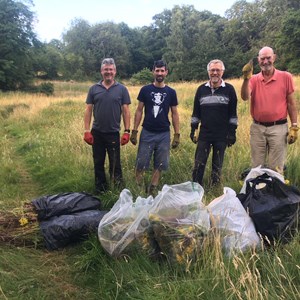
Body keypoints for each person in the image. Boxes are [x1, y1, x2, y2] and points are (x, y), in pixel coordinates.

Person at [241, 46, 298, 173]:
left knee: (276, 167)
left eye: (268, 58)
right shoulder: (254, 79)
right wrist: (246, 79)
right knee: (257, 167)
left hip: (278, 127)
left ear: (274, 58)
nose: (265, 61)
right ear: (258, 59)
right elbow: (245, 97)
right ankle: (257, 191)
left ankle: (275, 191)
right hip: (257, 128)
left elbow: (291, 103)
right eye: (262, 59)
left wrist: (294, 126)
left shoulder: (285, 77)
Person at [130, 60, 180, 195]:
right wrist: (134, 131)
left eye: (162, 70)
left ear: (166, 72)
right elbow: (139, 110)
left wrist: (177, 134)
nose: (159, 73)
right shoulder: (145, 90)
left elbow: (174, 113)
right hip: (147, 131)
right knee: (141, 163)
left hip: (164, 133)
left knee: (160, 164)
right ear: (153, 72)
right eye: (157, 70)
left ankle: (152, 188)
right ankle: (139, 188)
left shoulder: (171, 92)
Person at [83, 58, 131, 193]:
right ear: (101, 71)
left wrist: (127, 131)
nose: (108, 72)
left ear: (115, 71)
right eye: (106, 70)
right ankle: (100, 190)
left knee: (115, 164)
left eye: (110, 69)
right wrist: (87, 131)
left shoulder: (122, 89)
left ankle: (117, 190)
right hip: (97, 132)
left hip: (114, 133)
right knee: (98, 162)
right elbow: (88, 110)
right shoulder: (93, 89)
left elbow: (126, 111)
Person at [190, 59, 238, 186]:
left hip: (222, 135)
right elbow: (196, 113)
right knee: (199, 164)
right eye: (212, 70)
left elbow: (233, 114)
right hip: (205, 133)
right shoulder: (201, 89)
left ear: (222, 72)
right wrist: (193, 129)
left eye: (218, 70)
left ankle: (214, 189)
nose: (215, 73)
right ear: (208, 72)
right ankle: (196, 188)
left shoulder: (229, 90)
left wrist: (232, 132)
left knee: (217, 166)